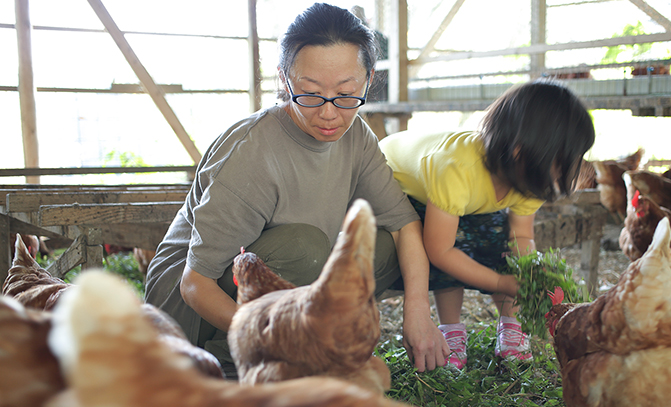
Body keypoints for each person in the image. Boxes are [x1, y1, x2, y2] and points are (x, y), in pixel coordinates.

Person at [144, 2, 448, 377]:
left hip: (272, 288)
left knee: (380, 247)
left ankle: (306, 345)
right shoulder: (253, 153)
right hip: (188, 314)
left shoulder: (356, 136)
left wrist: (418, 311)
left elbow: (403, 225)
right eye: (310, 93)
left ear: (369, 79)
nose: (329, 113)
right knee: (305, 247)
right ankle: (238, 365)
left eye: (346, 94)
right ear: (284, 79)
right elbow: (195, 284)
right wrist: (280, 339)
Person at [379, 80, 595, 369]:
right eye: (562, 161)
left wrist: (530, 275)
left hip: (457, 198)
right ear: (520, 152)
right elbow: (439, 250)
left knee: (498, 238)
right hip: (396, 183)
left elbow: (520, 235)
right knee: (454, 243)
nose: (569, 169)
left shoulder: (530, 178)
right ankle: (451, 330)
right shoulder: (456, 168)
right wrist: (500, 282)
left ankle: (511, 325)